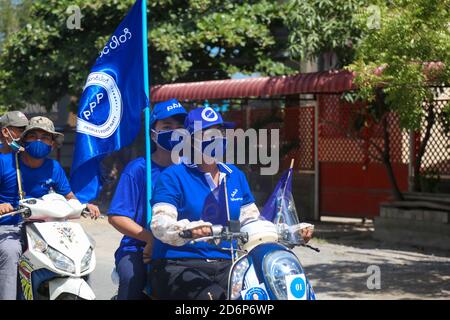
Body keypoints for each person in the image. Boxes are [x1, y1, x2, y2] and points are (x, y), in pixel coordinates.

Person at [150, 106, 314, 300]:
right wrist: (189, 230)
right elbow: (160, 224)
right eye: (208, 133)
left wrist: (292, 232)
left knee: (263, 293)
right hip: (182, 264)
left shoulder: (235, 175)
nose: (216, 139)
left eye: (220, 132)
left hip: (231, 264)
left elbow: (252, 222)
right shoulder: (173, 176)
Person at [0, 116, 100, 300]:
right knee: (10, 250)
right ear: (24, 140)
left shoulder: (53, 167)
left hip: (43, 228)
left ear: (52, 144)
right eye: (34, 136)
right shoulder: (4, 162)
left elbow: (70, 198)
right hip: (8, 227)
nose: (39, 141)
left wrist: (85, 206)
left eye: (45, 137)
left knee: (79, 249)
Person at [107, 99, 187, 300]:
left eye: (180, 127)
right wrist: (150, 238)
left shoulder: (193, 170)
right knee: (132, 278)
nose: (175, 132)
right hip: (138, 248)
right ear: (153, 134)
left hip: (183, 246)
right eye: (167, 127)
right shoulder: (138, 169)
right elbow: (117, 216)